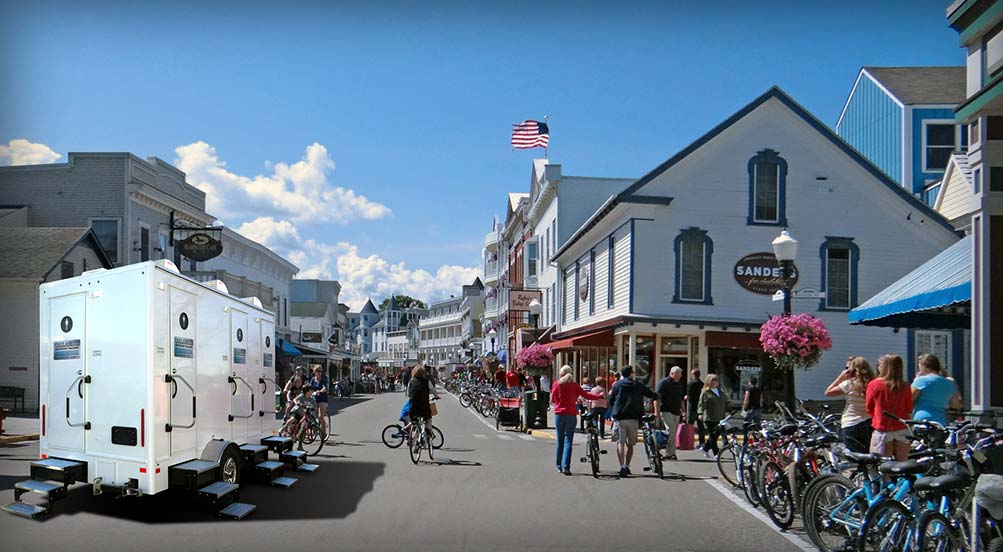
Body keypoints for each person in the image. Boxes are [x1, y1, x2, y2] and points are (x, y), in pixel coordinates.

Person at [607, 365, 659, 478]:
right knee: (630, 444)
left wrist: (614, 407)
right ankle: (628, 465)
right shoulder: (637, 384)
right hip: (634, 417)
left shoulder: (617, 385)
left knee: (620, 443)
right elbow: (650, 393)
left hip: (620, 417)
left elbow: (610, 400)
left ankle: (622, 467)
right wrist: (657, 396)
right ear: (631, 373)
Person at [550, 365, 603, 475]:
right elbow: (586, 395)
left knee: (560, 441)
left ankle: (559, 466)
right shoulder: (574, 386)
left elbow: (553, 399)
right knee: (568, 441)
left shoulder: (556, 384)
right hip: (571, 414)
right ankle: (566, 467)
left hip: (559, 414)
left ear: (561, 374)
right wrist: (599, 396)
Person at [865, 354, 914, 461]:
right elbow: (909, 408)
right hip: (902, 428)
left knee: (883, 466)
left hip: (883, 429)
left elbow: (869, 407)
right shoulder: (905, 386)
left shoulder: (874, 384)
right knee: (902, 465)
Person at [825, 356, 875, 453]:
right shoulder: (873, 384)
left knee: (855, 456)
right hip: (869, 422)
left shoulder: (848, 384)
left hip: (851, 423)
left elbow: (828, 392)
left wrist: (840, 378)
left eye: (847, 368)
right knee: (868, 455)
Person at [912, 354, 962, 426]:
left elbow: (908, 400)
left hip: (921, 420)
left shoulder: (921, 380)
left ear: (924, 366)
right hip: (940, 421)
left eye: (919, 366)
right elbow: (956, 405)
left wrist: (915, 381)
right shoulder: (949, 383)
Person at [655, 366, 686, 460]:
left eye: (680, 374)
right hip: (666, 410)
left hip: (676, 411)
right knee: (671, 431)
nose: (679, 376)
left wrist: (684, 411)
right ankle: (668, 453)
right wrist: (656, 411)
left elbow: (681, 399)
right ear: (672, 373)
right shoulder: (663, 383)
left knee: (673, 433)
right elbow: (656, 398)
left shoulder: (679, 384)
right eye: (677, 374)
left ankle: (672, 453)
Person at [698, 374, 729, 459]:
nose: (716, 381)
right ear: (710, 381)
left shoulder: (720, 391)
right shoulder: (706, 392)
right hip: (710, 417)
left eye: (717, 380)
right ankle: (716, 453)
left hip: (720, 417)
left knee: (716, 434)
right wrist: (700, 413)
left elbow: (725, 401)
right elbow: (701, 404)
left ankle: (705, 448)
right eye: (714, 380)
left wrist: (730, 409)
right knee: (712, 435)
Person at [407, 364, 440, 438]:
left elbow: (407, 393)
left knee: (415, 422)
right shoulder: (426, 382)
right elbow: (433, 390)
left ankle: (414, 440)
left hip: (413, 408)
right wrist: (436, 396)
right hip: (424, 408)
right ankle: (428, 431)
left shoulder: (411, 382)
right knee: (428, 419)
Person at [289, 385, 317, 451]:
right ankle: (285, 428)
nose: (312, 392)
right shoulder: (302, 396)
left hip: (304, 415)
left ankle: (299, 446)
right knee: (294, 422)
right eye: (311, 390)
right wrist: (298, 403)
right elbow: (295, 399)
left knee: (303, 429)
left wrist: (315, 416)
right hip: (297, 413)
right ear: (307, 391)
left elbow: (314, 408)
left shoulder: (312, 399)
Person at [685, 369, 706, 447]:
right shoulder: (702, 384)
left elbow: (688, 396)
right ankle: (702, 442)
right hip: (700, 407)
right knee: (701, 426)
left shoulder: (691, 383)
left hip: (692, 406)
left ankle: (689, 441)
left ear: (693, 374)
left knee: (690, 425)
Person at [309, 366, 330, 437]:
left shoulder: (323, 380)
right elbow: (309, 387)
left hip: (323, 400)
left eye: (320, 371)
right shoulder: (313, 380)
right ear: (315, 372)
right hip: (314, 399)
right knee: (312, 416)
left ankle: (324, 433)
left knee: (321, 416)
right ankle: (313, 429)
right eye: (317, 371)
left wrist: (320, 391)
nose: (319, 373)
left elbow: (324, 388)